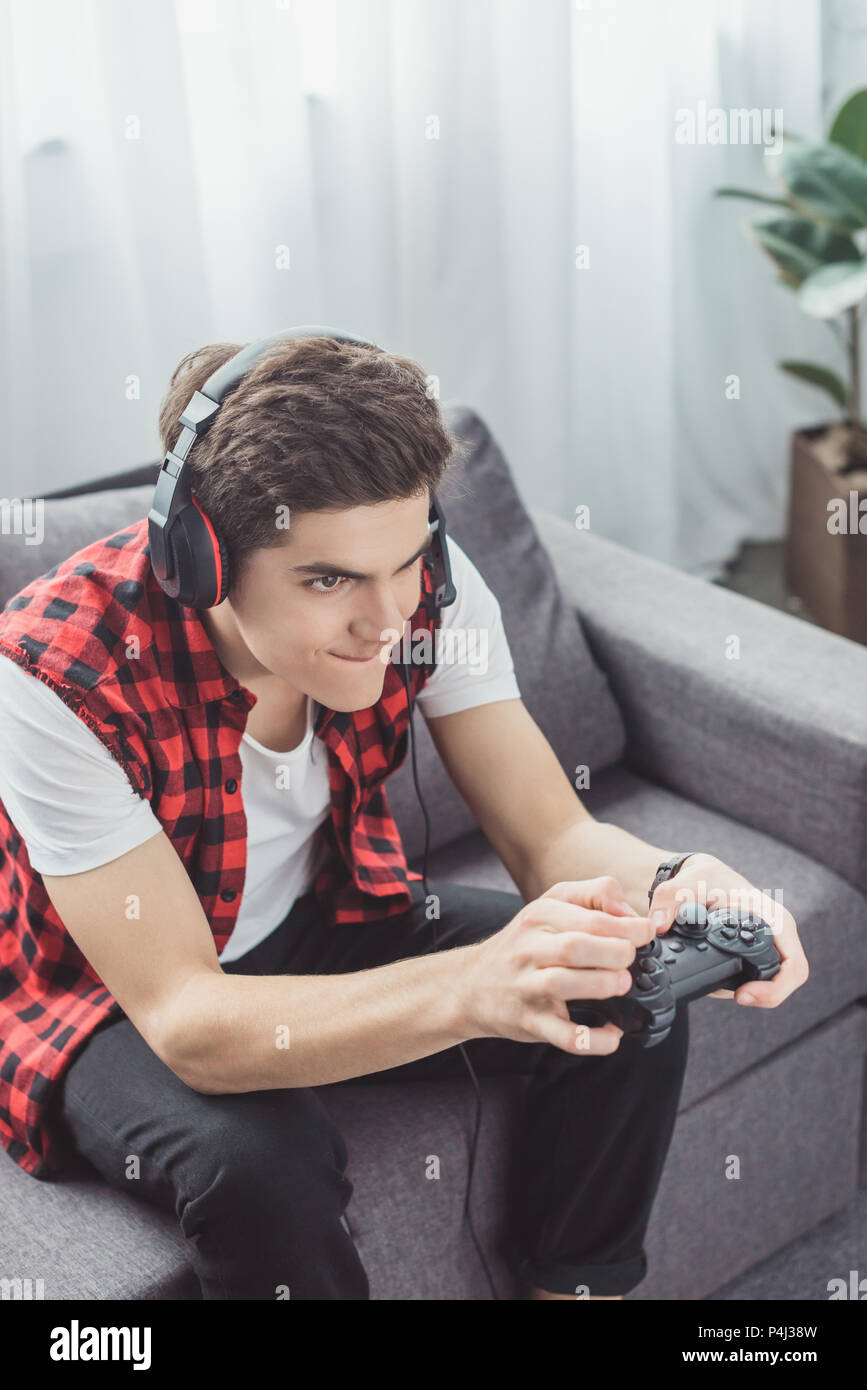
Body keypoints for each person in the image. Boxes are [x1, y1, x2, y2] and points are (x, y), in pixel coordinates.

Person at [0, 334, 809, 1301]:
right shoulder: (52, 676)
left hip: (328, 911)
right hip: (110, 993)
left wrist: (678, 883)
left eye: (405, 562)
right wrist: (471, 986)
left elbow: (549, 837)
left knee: (622, 977)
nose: (389, 620)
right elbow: (190, 1019)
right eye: (328, 580)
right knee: (259, 1168)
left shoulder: (425, 579)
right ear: (202, 559)